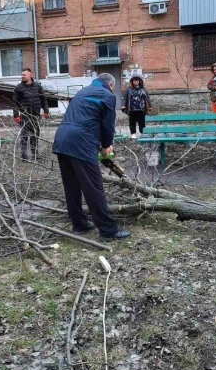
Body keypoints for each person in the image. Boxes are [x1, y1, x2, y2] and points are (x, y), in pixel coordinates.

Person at [52, 73, 131, 242]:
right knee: (93, 186)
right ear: (111, 85)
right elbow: (108, 125)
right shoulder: (108, 95)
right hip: (82, 141)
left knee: (71, 184)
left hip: (61, 139)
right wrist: (106, 145)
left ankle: (79, 223)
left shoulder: (83, 92)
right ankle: (108, 230)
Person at [13, 68, 49, 160]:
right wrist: (16, 115)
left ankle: (34, 153)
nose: (22, 76)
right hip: (25, 115)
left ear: (30, 75)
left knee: (35, 135)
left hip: (36, 115)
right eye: (22, 75)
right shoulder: (19, 88)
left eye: (24, 75)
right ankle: (24, 155)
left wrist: (46, 111)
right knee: (24, 135)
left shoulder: (38, 86)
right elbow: (15, 103)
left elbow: (43, 99)